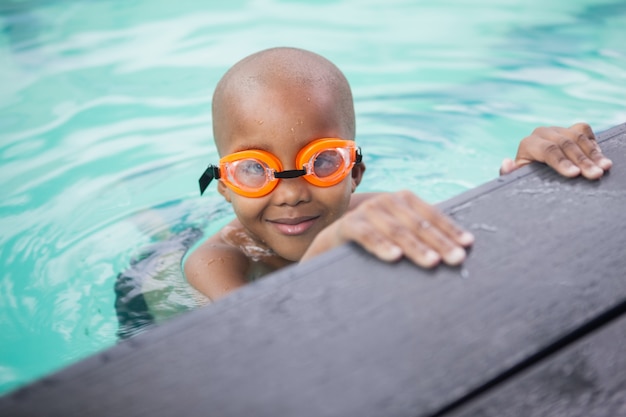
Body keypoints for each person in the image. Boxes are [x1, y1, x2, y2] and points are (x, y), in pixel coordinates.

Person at [184, 47, 612, 301]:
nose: (292, 194)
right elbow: (258, 346)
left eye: (324, 162)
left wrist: (525, 179)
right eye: (254, 169)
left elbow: (477, 238)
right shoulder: (214, 263)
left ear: (356, 174)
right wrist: (326, 249)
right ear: (224, 185)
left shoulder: (375, 211)